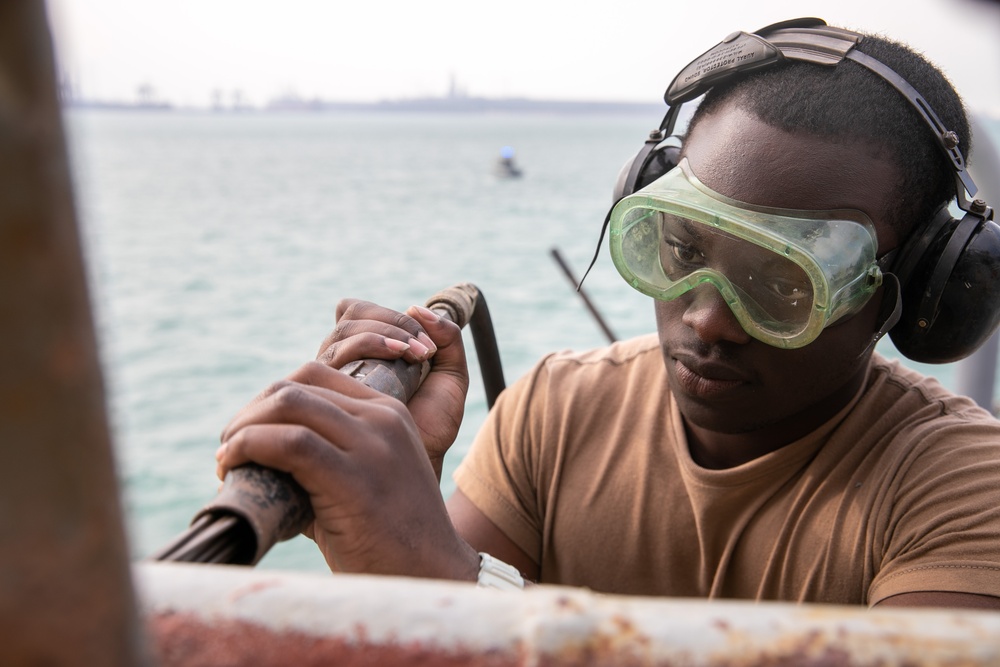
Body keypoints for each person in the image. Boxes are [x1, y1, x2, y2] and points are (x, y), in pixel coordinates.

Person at [214, 19, 1000, 609]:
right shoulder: (558, 410)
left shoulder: (961, 487)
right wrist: (382, 521)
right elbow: (427, 632)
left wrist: (436, 568)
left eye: (780, 283)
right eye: (681, 248)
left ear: (916, 294)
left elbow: (452, 596)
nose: (708, 320)